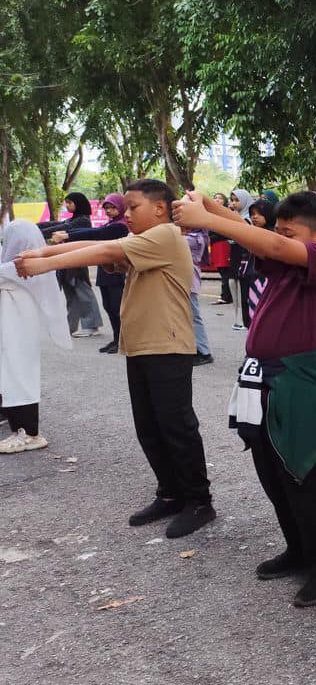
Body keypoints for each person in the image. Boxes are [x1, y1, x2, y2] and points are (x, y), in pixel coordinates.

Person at [174, 189, 316, 608]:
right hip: (260, 380)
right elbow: (258, 234)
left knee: (306, 474)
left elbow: (271, 242)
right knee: (273, 474)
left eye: (290, 232)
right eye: (279, 229)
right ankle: (300, 548)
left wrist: (207, 218)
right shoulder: (287, 257)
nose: (278, 237)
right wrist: (213, 208)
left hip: (297, 383)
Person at [15, 179, 215, 538]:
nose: (126, 214)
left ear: (159, 207)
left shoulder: (167, 235)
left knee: (175, 427)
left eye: (133, 207)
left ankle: (199, 502)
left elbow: (106, 252)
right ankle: (170, 493)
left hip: (166, 347)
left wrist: (45, 264)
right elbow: (105, 245)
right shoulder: (143, 242)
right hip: (140, 345)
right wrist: (45, 252)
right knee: (149, 428)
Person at [0, 222, 73, 454]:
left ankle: (29, 434)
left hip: (16, 332)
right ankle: (19, 431)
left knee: (19, 377)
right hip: (14, 330)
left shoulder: (21, 267)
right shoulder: (17, 267)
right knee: (13, 375)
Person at [52, 193, 129, 353]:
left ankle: (122, 340)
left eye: (112, 207)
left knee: (116, 307)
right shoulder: (111, 224)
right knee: (108, 306)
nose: (108, 211)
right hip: (105, 269)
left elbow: (94, 234)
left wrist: (68, 235)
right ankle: (117, 339)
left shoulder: (120, 226)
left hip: (117, 272)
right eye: (106, 208)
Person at [45, 193, 105, 337]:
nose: (67, 205)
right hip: (67, 262)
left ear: (79, 203)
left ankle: (91, 325)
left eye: (70, 203)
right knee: (72, 295)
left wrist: (39, 231)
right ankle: (70, 327)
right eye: (66, 203)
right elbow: (54, 225)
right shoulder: (74, 219)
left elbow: (60, 227)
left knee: (83, 293)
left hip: (77, 263)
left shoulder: (82, 221)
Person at [241, 199, 277, 327]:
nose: (254, 217)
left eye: (259, 214)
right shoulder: (252, 233)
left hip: (264, 282)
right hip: (249, 279)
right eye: (252, 214)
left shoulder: (274, 235)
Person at [185, 226, 214, 365]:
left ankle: (204, 351)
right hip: (185, 277)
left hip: (188, 278)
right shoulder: (193, 235)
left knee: (193, 316)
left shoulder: (194, 238)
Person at [228, 189, 254, 331]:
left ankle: (245, 320)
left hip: (243, 258)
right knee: (235, 289)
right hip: (235, 256)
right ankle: (239, 320)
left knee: (243, 291)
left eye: (237, 200)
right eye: (232, 200)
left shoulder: (248, 219)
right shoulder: (236, 216)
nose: (234, 203)